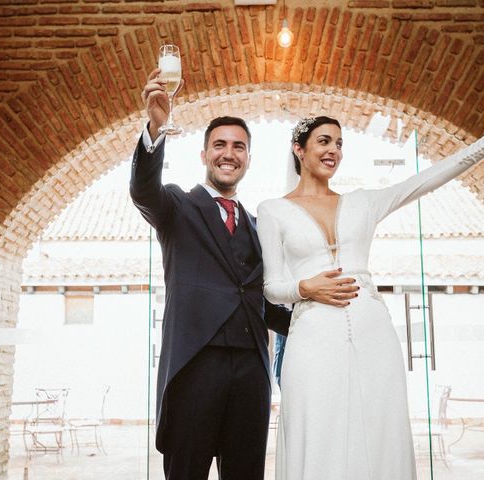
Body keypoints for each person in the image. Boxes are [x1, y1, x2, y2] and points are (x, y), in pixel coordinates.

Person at [256, 113, 484, 479]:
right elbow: (271, 287)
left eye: (339, 143)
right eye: (324, 141)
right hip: (311, 337)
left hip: (373, 334)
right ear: (299, 149)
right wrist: (305, 287)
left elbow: (426, 180)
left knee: (379, 427)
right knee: (316, 426)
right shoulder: (272, 210)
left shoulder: (364, 202)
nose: (333, 150)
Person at [129, 70, 358, 480]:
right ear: (204, 155)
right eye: (219, 145)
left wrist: (328, 322)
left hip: (252, 376)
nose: (228, 153)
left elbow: (267, 301)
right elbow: (143, 190)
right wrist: (155, 128)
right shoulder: (177, 208)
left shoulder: (259, 224)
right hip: (193, 369)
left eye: (239, 147)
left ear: (249, 159)